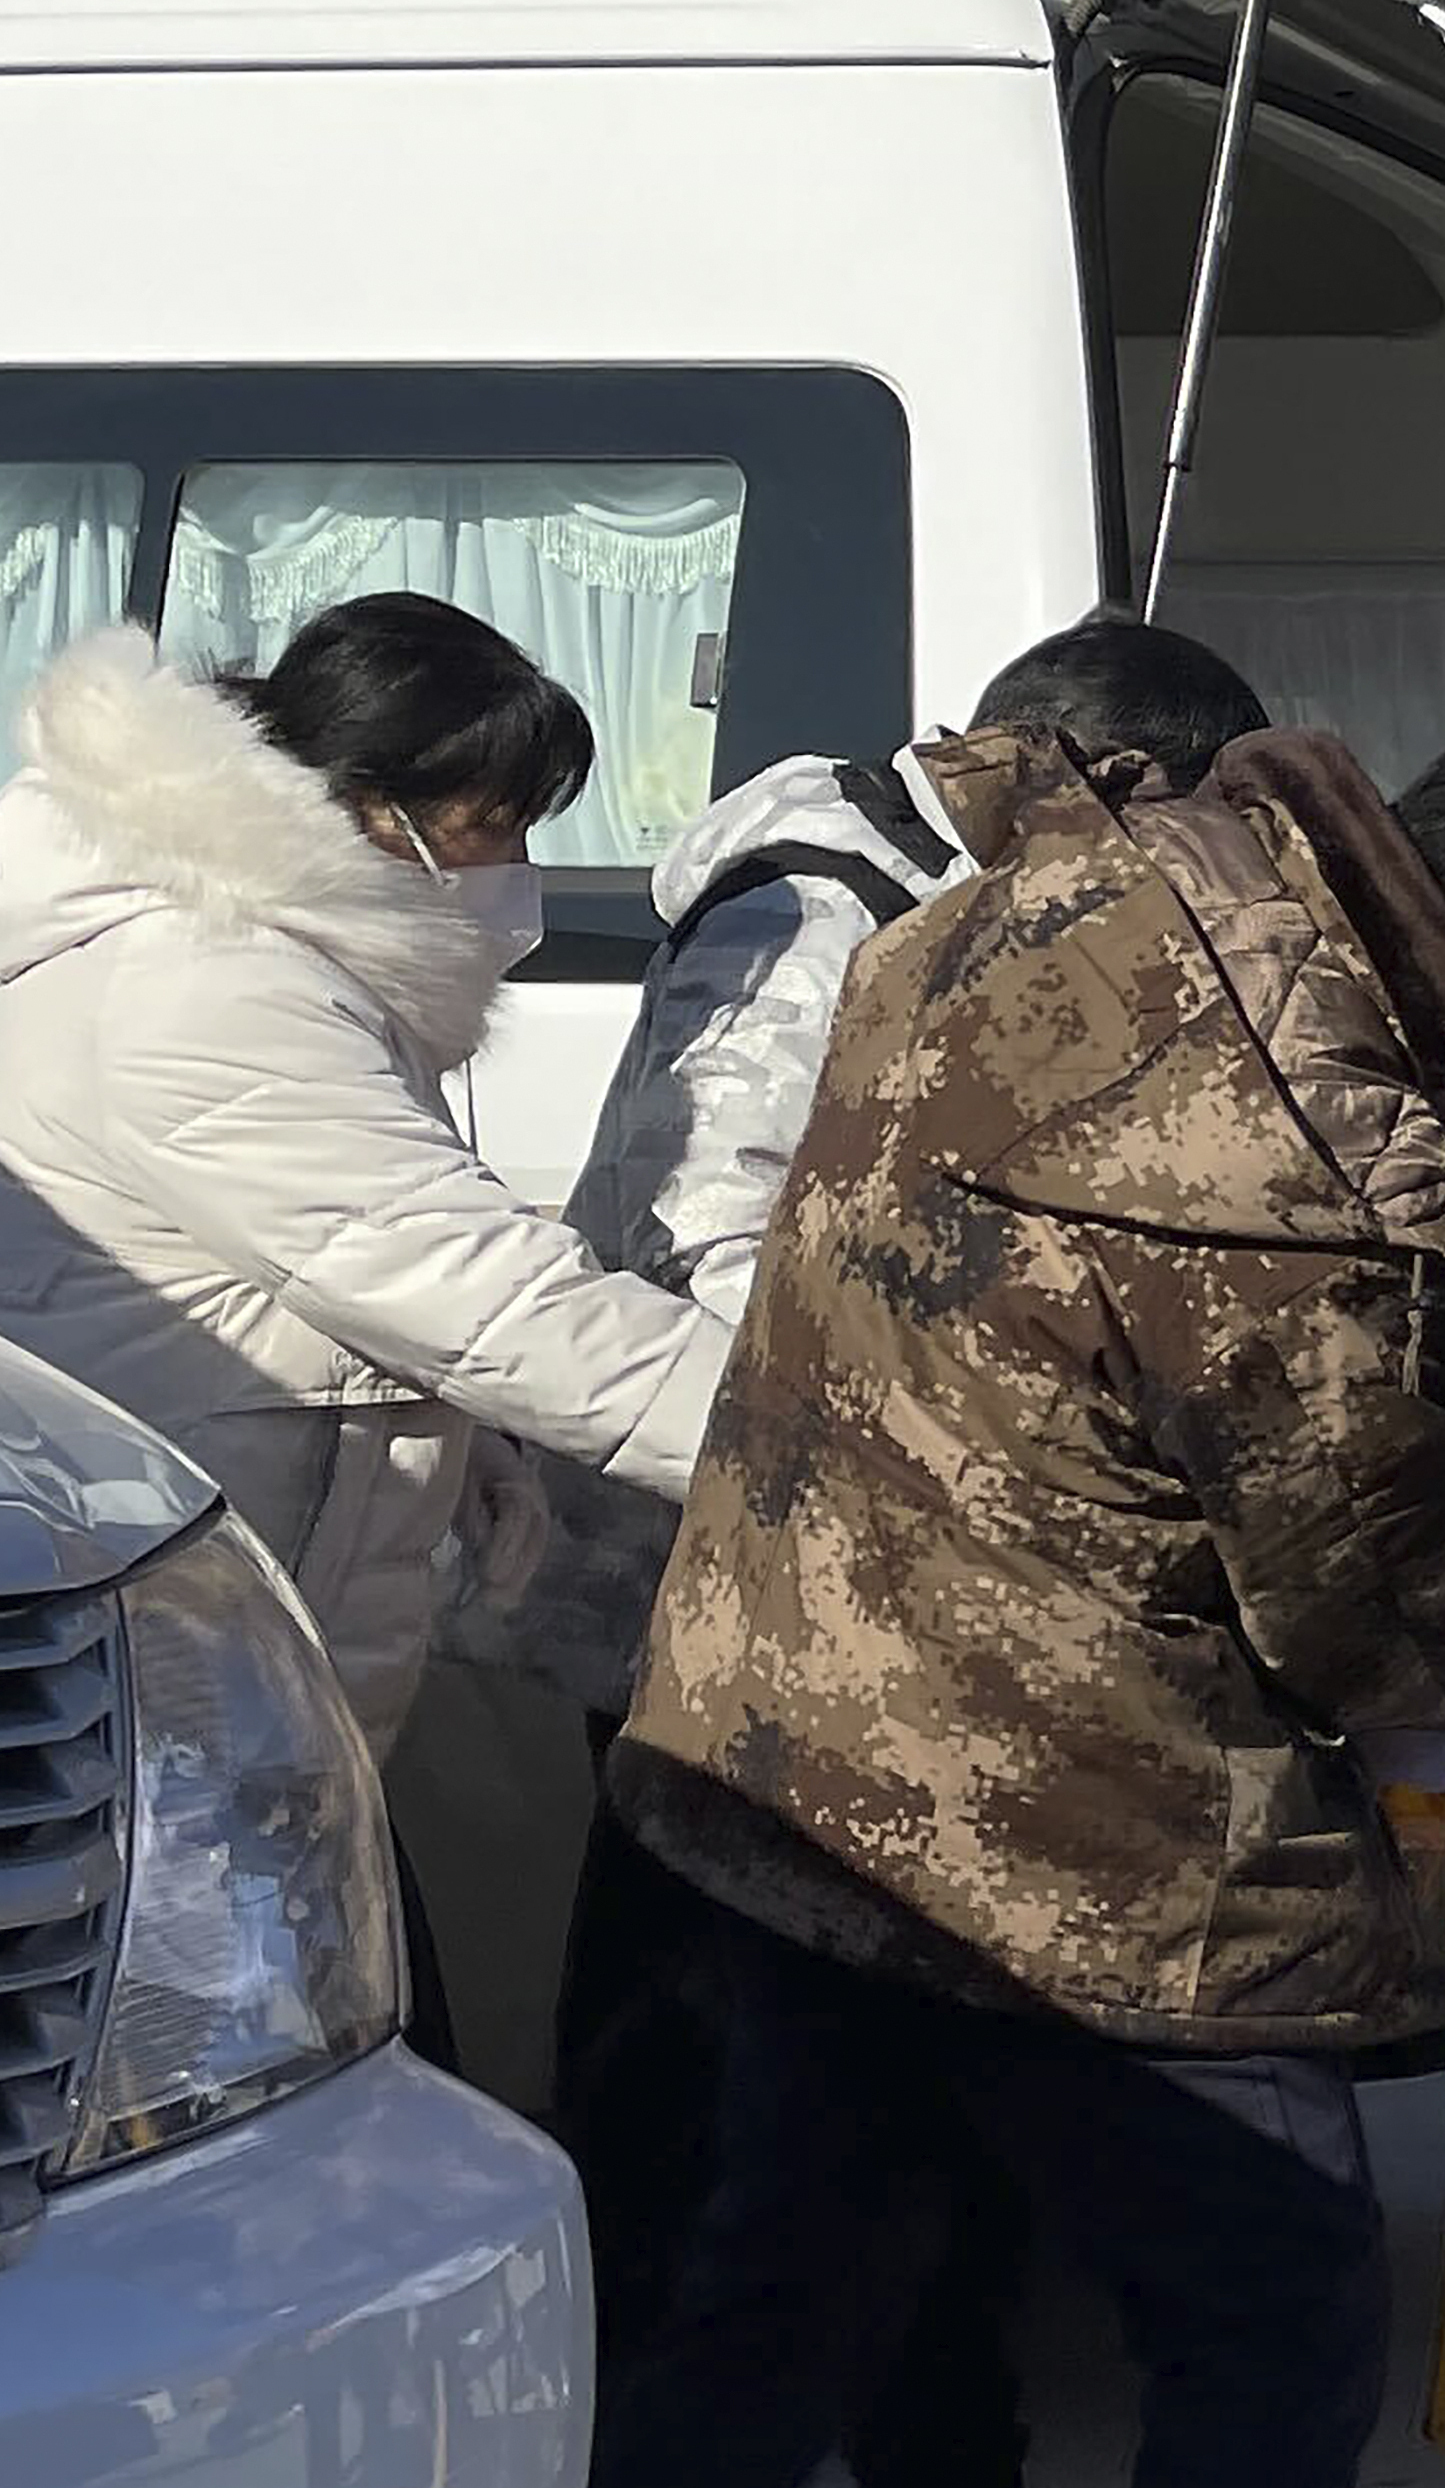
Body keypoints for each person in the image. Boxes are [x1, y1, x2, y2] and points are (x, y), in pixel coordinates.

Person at [597, 712, 1445, 2488]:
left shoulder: (1050, 896)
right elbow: (1377, 1612)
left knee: (798, 2277)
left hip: (794, 1714)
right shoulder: (1301, 1164)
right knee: (1272, 2310)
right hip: (1069, 1825)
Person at [500, 613, 1272, 2488]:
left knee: (852, 2125)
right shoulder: (811, 910)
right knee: (708, 2108)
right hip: (724, 1596)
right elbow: (709, 1230)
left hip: (847, 1599)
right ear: (1101, 780)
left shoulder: (944, 902)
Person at [0, 601, 727, 1767]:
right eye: (491, 828)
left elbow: (344, 1275)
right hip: (143, 1659)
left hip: (193, 1616)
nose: (514, 874)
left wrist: (463, 1437)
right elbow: (476, 1288)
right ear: (372, 812)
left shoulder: (270, 956)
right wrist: (818, 1435)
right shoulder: (207, 981)